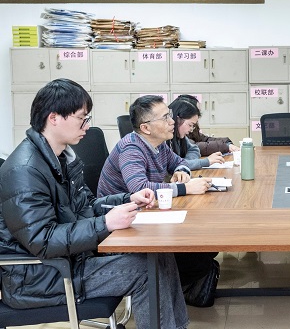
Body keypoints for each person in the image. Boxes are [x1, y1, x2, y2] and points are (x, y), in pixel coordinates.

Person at [0, 79, 188, 328]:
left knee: (160, 255)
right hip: (42, 278)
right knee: (146, 270)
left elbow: (87, 205)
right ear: (53, 118)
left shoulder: (61, 158)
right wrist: (105, 223)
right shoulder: (25, 171)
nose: (87, 126)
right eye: (81, 118)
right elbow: (42, 241)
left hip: (71, 260)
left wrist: (127, 198)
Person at [97, 95, 220, 308]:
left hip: (146, 215)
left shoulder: (159, 145)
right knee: (198, 257)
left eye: (169, 116)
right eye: (165, 118)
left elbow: (180, 162)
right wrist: (186, 188)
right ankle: (172, 290)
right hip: (122, 227)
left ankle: (178, 287)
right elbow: (140, 188)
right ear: (146, 128)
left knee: (204, 247)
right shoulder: (131, 148)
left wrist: (181, 171)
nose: (172, 121)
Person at [168, 96, 225, 168]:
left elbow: (194, 149)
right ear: (178, 120)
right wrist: (205, 162)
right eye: (190, 125)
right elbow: (174, 165)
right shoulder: (164, 139)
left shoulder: (180, 136)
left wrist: (186, 162)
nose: (191, 130)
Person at [176, 94, 240, 155]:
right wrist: (224, 146)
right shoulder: (177, 128)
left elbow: (203, 138)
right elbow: (193, 146)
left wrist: (226, 142)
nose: (198, 113)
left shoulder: (191, 124)